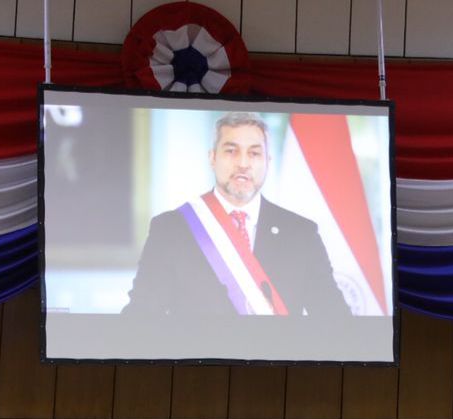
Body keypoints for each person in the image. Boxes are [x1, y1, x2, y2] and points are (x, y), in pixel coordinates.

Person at [122, 112, 352, 318]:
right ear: (212, 158)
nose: (243, 163)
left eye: (254, 153)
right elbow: (141, 317)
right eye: (231, 151)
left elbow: (334, 319)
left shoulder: (301, 233)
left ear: (267, 162)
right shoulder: (171, 228)